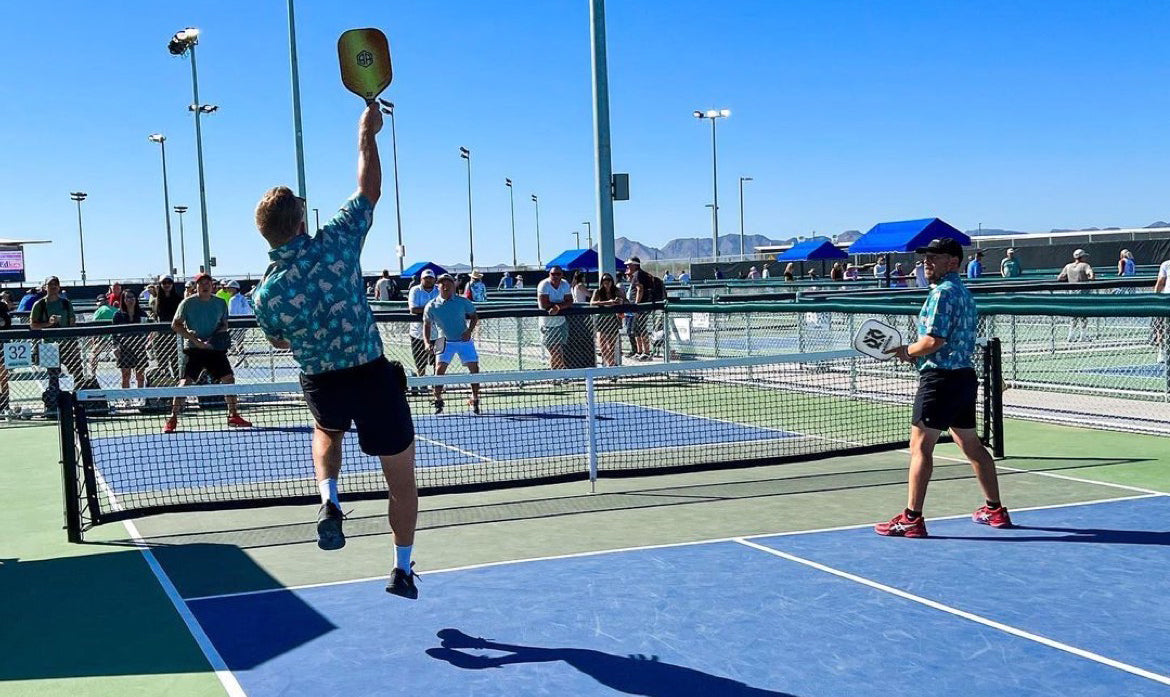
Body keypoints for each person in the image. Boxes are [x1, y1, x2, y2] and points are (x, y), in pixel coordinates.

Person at [251, 102, 419, 599]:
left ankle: (329, 498)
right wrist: (366, 130)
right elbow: (370, 189)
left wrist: (307, 336)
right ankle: (402, 569)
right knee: (401, 481)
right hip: (370, 373)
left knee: (325, 429)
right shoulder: (337, 243)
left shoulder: (267, 292)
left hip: (321, 380)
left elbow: (279, 339)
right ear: (302, 220)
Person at [877, 237, 1010, 538]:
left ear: (952, 262)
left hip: (939, 380)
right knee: (972, 445)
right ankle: (995, 509)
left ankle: (912, 518)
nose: (927, 262)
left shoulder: (942, 294)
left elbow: (933, 341)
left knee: (920, 448)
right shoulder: (963, 292)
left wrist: (906, 351)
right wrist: (914, 352)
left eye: (934, 258)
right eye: (926, 257)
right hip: (963, 378)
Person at [165, 273, 252, 433]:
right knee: (185, 383)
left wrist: (212, 341)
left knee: (229, 379)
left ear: (212, 286)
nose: (204, 286)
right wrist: (195, 339)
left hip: (214, 350)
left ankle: (233, 415)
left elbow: (224, 324)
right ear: (196, 286)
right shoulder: (187, 303)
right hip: (194, 350)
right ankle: (173, 418)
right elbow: (175, 325)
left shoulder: (220, 303)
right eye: (201, 283)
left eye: (208, 283)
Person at [423, 274, 481, 414]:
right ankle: (437, 399)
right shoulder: (431, 305)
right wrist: (426, 342)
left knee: (474, 369)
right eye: (442, 283)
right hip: (442, 341)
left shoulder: (463, 302)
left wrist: (469, 331)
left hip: (464, 340)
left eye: (448, 282)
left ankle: (475, 398)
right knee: (439, 370)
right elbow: (427, 325)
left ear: (454, 285)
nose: (445, 286)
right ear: (438, 286)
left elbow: (474, 317)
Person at [29, 276, 85, 384]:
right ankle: (54, 398)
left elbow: (72, 323)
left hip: (68, 344)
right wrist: (48, 323)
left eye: (56, 284)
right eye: (50, 284)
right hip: (49, 345)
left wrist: (74, 343)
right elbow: (33, 325)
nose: (53, 287)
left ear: (59, 287)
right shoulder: (39, 305)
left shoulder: (66, 303)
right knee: (53, 376)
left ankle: (78, 396)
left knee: (78, 372)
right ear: (45, 287)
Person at [537, 265, 573, 369]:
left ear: (562, 275)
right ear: (549, 274)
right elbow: (544, 304)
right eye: (553, 274)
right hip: (547, 324)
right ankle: (558, 373)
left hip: (561, 322)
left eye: (558, 274)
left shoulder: (565, 284)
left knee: (559, 351)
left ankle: (559, 373)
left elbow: (570, 301)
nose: (555, 276)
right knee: (555, 351)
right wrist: (561, 305)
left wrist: (557, 307)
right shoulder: (544, 285)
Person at [113, 288, 149, 389]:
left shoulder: (142, 314)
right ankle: (126, 399)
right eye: (127, 297)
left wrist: (147, 342)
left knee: (140, 376)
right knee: (125, 376)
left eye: (133, 297)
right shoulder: (118, 315)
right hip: (124, 348)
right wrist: (115, 347)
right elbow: (114, 334)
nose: (130, 299)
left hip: (139, 347)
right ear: (123, 300)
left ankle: (141, 398)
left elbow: (146, 330)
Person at [1057, 249, 1095, 341]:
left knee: (1073, 314)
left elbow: (1060, 277)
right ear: (1082, 257)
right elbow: (1091, 275)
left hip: (1072, 293)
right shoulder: (1085, 265)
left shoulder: (1068, 266)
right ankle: (1083, 335)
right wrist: (1089, 278)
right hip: (1083, 293)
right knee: (1084, 315)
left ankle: (1071, 335)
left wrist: (1069, 278)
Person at [408, 269, 440, 379]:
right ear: (421, 279)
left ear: (434, 279)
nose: (428, 280)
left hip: (438, 333)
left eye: (431, 278)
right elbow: (413, 309)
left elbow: (444, 307)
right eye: (426, 278)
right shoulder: (415, 290)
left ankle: (437, 384)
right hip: (418, 333)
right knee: (420, 361)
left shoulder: (439, 290)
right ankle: (422, 383)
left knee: (439, 360)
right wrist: (432, 310)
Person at [151, 274, 184, 380]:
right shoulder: (156, 301)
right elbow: (155, 317)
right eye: (164, 283)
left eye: (169, 282)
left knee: (177, 364)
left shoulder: (179, 299)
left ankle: (179, 390)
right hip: (161, 337)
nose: (166, 285)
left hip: (176, 336)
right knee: (162, 365)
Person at [590, 272, 623, 367]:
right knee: (602, 345)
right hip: (601, 319)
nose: (607, 282)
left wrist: (619, 301)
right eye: (604, 280)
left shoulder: (616, 291)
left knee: (611, 346)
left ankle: (610, 365)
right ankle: (612, 364)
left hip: (612, 319)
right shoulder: (598, 291)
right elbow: (592, 303)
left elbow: (624, 300)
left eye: (609, 280)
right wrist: (608, 302)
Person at [622, 257, 651, 360]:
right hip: (638, 308)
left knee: (642, 329)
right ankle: (639, 351)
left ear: (635, 265)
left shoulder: (638, 274)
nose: (627, 267)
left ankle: (646, 352)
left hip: (640, 307)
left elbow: (640, 289)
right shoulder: (637, 275)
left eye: (629, 265)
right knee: (637, 329)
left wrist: (636, 305)